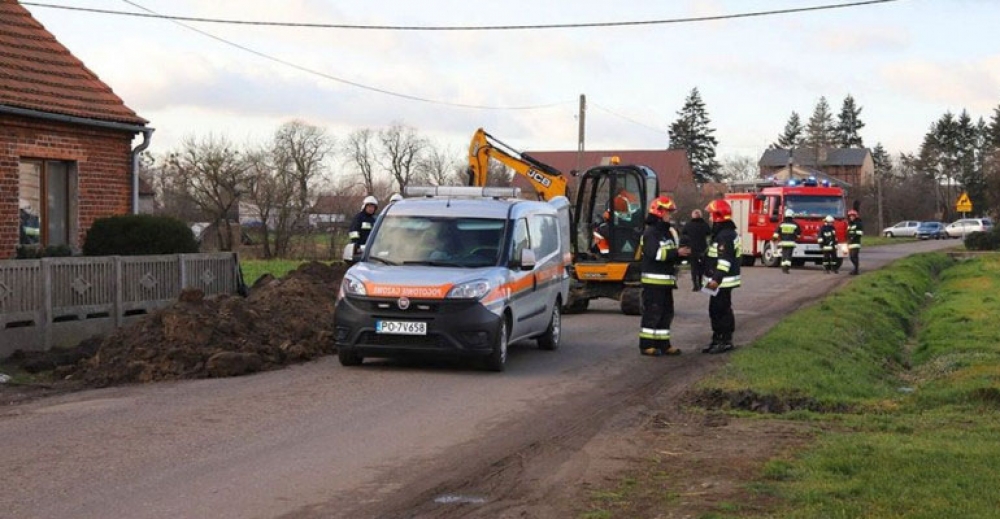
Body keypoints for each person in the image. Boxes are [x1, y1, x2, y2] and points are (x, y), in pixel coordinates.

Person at [638, 196, 690, 356]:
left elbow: (670, 254)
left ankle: (663, 344)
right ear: (659, 212)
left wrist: (683, 255)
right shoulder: (651, 233)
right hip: (654, 282)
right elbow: (657, 254)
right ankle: (646, 345)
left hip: (665, 282)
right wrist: (676, 252)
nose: (670, 215)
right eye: (668, 212)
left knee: (666, 313)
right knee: (653, 313)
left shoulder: (666, 232)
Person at [702, 199, 741, 354]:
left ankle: (724, 340)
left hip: (721, 282)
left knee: (720, 310)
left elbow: (724, 261)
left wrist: (716, 280)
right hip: (720, 281)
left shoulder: (724, 236)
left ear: (718, 217)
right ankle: (718, 339)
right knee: (716, 309)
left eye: (711, 215)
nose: (710, 218)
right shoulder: (725, 234)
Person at [681, 209, 711, 290]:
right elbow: (709, 233)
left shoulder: (688, 225)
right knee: (701, 267)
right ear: (700, 216)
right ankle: (701, 283)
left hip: (692, 249)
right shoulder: (705, 225)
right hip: (702, 249)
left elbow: (683, 234)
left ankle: (695, 285)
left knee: (694, 267)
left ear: (692, 216)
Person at [772, 208, 801, 274]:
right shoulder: (795, 225)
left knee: (784, 255)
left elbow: (776, 233)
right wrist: (796, 237)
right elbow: (799, 235)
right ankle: (786, 268)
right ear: (792, 215)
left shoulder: (781, 224)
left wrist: (774, 239)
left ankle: (783, 268)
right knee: (788, 256)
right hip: (791, 243)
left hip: (783, 243)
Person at [846, 209, 863, 275]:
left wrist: (852, 238)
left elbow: (859, 233)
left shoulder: (858, 223)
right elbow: (848, 233)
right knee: (851, 257)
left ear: (855, 216)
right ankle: (855, 269)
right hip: (850, 243)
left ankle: (856, 270)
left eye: (852, 216)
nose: (851, 217)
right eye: (850, 216)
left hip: (856, 242)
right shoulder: (850, 224)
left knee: (854, 256)